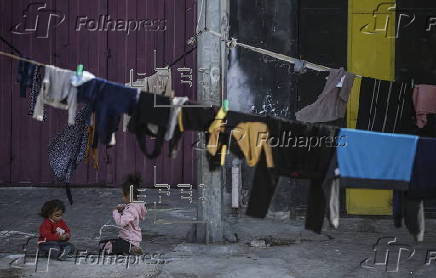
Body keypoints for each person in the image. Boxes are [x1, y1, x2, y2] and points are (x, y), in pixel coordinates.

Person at [99, 173, 147, 255]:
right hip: (132, 240)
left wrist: (115, 212)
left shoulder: (130, 209)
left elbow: (121, 223)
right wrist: (123, 208)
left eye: (124, 195)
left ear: (129, 195)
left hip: (128, 240)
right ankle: (132, 248)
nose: (122, 198)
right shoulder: (137, 206)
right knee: (104, 243)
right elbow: (130, 211)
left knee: (105, 246)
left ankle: (131, 249)